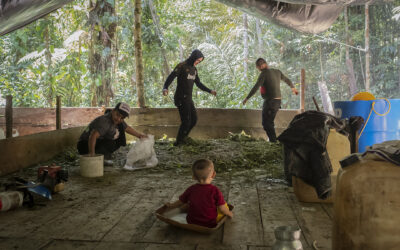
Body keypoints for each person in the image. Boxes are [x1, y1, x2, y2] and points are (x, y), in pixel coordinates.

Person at [162, 49, 217, 146]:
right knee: (186, 121)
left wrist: (210, 91)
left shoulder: (194, 70)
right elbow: (171, 76)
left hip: (188, 98)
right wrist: (165, 87)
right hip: (180, 97)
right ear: (193, 57)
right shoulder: (182, 66)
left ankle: (184, 138)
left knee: (194, 120)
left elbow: (198, 84)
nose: (198, 63)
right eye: (197, 60)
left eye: (200, 62)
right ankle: (178, 142)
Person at [242, 58, 299, 142]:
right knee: (270, 122)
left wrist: (247, 98)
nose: (258, 69)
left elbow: (256, 86)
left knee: (266, 124)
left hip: (270, 102)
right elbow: (287, 80)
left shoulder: (264, 73)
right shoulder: (277, 71)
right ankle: (272, 140)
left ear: (259, 66)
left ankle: (273, 141)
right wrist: (293, 88)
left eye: (258, 68)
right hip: (277, 102)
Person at [165, 159, 233, 228]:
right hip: (209, 224)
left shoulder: (191, 189)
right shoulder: (215, 191)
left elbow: (180, 201)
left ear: (193, 177)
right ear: (213, 175)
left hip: (191, 222)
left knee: (186, 206)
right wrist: (229, 213)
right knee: (222, 209)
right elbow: (222, 209)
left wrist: (171, 205)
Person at [77, 102, 147, 165]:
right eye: (117, 115)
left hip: (96, 142)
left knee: (117, 139)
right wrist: (92, 155)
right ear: (113, 111)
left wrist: (139, 135)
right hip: (84, 145)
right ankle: (98, 158)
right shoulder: (105, 121)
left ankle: (102, 157)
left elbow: (127, 128)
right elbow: (93, 136)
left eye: (122, 118)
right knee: (110, 143)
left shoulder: (118, 121)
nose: (119, 119)